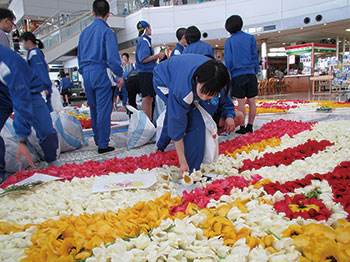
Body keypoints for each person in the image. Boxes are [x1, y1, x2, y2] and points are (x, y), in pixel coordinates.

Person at [153, 54, 243, 175]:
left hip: (185, 76)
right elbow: (176, 121)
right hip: (164, 80)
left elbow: (227, 103)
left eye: (211, 95)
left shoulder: (217, 79)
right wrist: (183, 162)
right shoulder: (182, 90)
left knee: (193, 115)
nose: (205, 98)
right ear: (196, 79)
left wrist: (229, 116)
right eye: (202, 92)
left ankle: (164, 147)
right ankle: (192, 170)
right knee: (190, 118)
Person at [0, 46, 59, 182]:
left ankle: (51, 161)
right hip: (2, 96)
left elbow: (22, 100)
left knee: (46, 131)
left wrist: (22, 139)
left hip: (29, 92)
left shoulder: (7, 62)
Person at [78, 0, 123, 154]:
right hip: (100, 71)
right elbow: (112, 58)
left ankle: (98, 139)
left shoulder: (84, 32)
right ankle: (103, 144)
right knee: (104, 110)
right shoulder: (107, 32)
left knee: (94, 110)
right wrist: (119, 74)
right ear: (108, 14)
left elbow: (79, 56)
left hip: (86, 73)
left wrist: (84, 72)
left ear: (92, 12)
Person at [224, 15, 259, 134]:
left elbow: (228, 60)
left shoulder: (229, 41)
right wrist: (255, 70)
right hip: (250, 73)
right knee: (252, 101)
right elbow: (255, 57)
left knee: (241, 102)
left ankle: (242, 127)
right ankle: (250, 126)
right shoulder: (250, 38)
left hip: (237, 75)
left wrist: (228, 75)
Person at [135, 20, 164, 121]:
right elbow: (143, 59)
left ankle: (149, 121)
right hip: (146, 73)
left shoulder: (144, 40)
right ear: (147, 28)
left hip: (147, 72)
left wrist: (154, 58)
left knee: (149, 98)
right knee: (147, 99)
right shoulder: (144, 40)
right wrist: (157, 55)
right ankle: (146, 123)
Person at [20, 31, 53, 112]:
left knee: (44, 113)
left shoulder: (34, 54)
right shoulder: (33, 53)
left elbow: (40, 71)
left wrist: (44, 87)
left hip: (41, 88)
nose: (22, 45)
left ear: (28, 41)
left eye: (22, 42)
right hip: (40, 87)